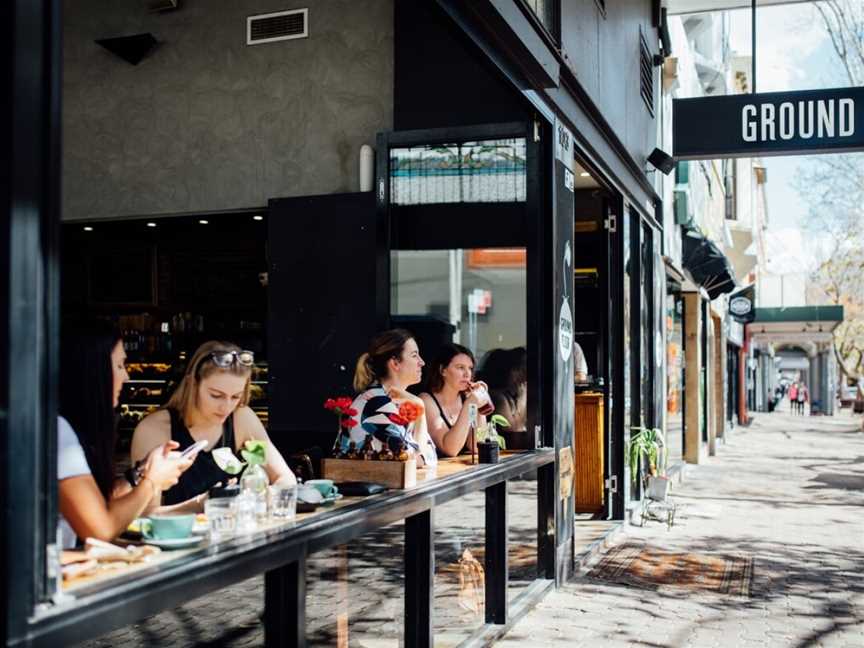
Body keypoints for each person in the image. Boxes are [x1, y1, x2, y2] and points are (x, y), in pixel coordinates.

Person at [58, 319, 195, 548]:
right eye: (120, 365)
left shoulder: (63, 426)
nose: (127, 377)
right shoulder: (59, 432)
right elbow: (100, 530)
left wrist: (140, 472)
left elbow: (97, 502)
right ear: (94, 369)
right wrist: (153, 481)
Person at [132, 341, 295, 508]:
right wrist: (204, 504)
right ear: (193, 384)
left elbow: (285, 479)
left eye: (236, 396)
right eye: (216, 395)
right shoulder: (155, 429)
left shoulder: (242, 419)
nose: (226, 407)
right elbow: (145, 515)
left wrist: (257, 501)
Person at [337, 329, 436, 466]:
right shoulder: (376, 404)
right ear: (395, 363)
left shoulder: (393, 401)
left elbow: (430, 454)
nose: (422, 362)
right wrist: (420, 409)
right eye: (414, 356)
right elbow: (412, 461)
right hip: (374, 485)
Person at [419, 343, 489, 457]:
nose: (467, 374)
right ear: (443, 370)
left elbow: (477, 446)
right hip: (438, 473)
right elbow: (450, 449)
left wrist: (480, 406)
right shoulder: (426, 401)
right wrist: (471, 403)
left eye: (470, 368)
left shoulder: (467, 399)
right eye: (460, 367)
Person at [477, 347, 528, 433]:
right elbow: (514, 431)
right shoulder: (498, 397)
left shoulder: (510, 396)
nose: (522, 375)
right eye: (517, 369)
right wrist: (523, 398)